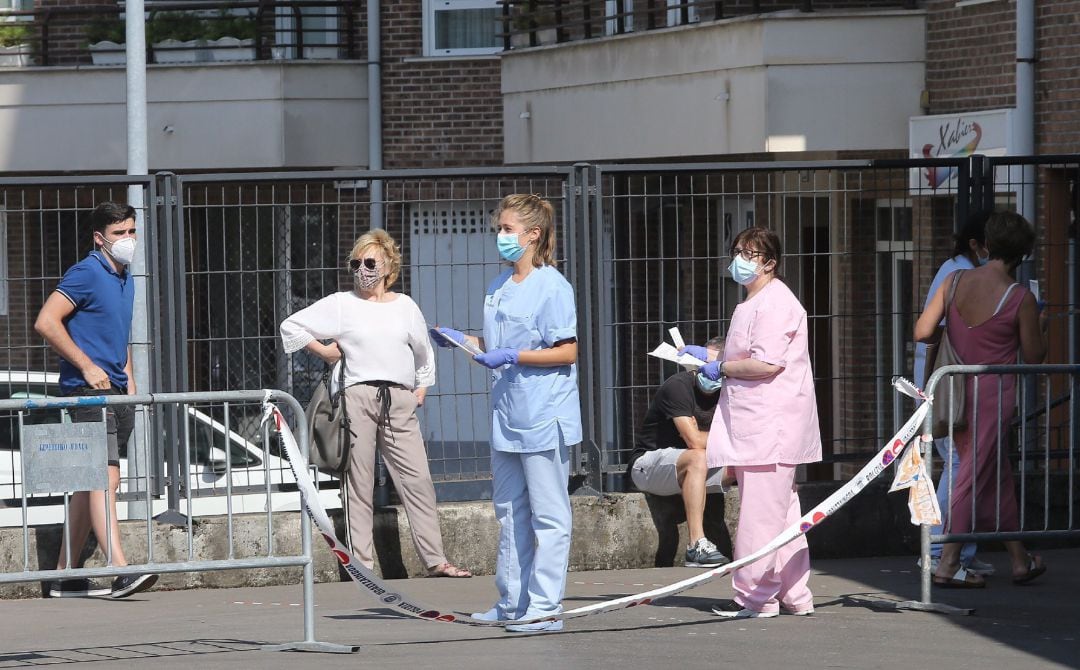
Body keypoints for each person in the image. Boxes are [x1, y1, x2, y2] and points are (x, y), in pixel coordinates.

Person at [279, 229, 471, 579]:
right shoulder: (342, 304)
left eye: (369, 262)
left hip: (398, 399)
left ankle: (436, 561)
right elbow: (292, 326)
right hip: (358, 397)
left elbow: (423, 353)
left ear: (388, 266)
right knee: (358, 482)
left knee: (417, 480)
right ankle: (362, 566)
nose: (361, 270)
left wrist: (420, 388)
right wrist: (324, 352)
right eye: (355, 263)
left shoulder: (405, 307)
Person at [432, 194, 580, 633]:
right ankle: (512, 601)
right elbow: (497, 347)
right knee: (510, 511)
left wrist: (513, 355)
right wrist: (463, 341)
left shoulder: (553, 285)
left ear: (533, 234)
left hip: (543, 413)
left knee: (549, 515)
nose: (500, 236)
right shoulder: (498, 285)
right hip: (506, 414)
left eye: (508, 229)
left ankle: (545, 607)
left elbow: (566, 350)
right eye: (499, 228)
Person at [681, 226, 821, 619]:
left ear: (770, 263)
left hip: (768, 426)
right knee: (783, 513)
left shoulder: (775, 303)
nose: (740, 258)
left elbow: (766, 361)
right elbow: (750, 347)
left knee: (760, 515)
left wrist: (720, 366)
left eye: (750, 253)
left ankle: (753, 598)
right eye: (738, 250)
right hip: (761, 423)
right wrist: (709, 354)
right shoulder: (757, 301)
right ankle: (794, 594)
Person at [914, 211, 1047, 588]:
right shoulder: (1019, 297)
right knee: (973, 476)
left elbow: (923, 331)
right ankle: (948, 562)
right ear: (1023, 253)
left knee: (993, 475)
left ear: (986, 244)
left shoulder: (954, 281)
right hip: (993, 395)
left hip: (955, 388)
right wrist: (1042, 326)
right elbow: (1035, 356)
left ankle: (1020, 559)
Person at [34, 202, 159, 599]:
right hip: (86, 394)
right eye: (119, 233)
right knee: (106, 478)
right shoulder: (86, 272)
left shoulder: (126, 276)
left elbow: (116, 334)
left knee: (87, 483)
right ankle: (119, 568)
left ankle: (63, 576)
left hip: (116, 392)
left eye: (132, 231)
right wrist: (87, 367)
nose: (128, 240)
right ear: (99, 238)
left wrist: (130, 381)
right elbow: (46, 321)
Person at [914, 210, 994, 577]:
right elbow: (932, 332)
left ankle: (960, 550)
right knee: (959, 464)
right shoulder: (957, 273)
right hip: (946, 384)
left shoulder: (959, 269)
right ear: (976, 244)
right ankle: (938, 549)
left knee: (965, 464)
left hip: (945, 382)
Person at [627, 336, 733, 568]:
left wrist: (722, 440)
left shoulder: (731, 391)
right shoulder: (678, 386)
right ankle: (696, 544)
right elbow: (694, 441)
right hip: (648, 465)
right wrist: (725, 438)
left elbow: (744, 440)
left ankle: (756, 542)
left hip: (697, 466)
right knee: (697, 456)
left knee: (747, 464)